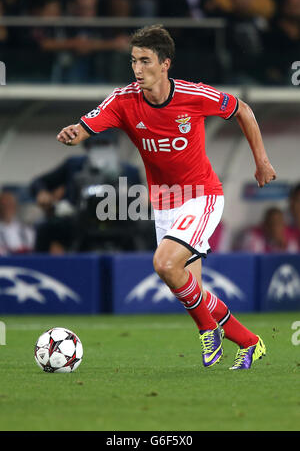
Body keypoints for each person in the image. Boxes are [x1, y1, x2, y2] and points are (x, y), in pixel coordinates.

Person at [56, 24, 276, 370]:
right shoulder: (123, 101)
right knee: (188, 288)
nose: (137, 69)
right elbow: (86, 126)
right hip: (165, 203)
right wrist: (74, 133)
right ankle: (250, 342)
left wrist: (261, 162)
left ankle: (209, 331)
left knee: (163, 263)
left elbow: (243, 110)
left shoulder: (195, 95)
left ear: (165, 64)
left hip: (201, 195)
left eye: (145, 61)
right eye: (133, 61)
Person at [0, 191, 35, 255]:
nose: (8, 208)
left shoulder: (26, 229)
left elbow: (33, 248)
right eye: (4, 205)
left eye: (11, 205)